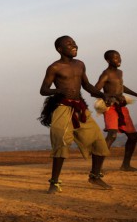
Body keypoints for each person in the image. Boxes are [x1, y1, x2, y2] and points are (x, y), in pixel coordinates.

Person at [38, 36, 111, 193]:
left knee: (99, 142)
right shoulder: (54, 67)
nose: (74, 46)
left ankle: (95, 176)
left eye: (74, 43)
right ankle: (54, 182)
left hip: (80, 109)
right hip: (63, 108)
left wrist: (102, 95)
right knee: (61, 143)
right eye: (69, 44)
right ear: (59, 49)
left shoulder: (80, 64)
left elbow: (86, 85)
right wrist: (58, 91)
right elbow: (43, 89)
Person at [95, 50, 137, 171]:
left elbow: (121, 87)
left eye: (119, 57)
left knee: (133, 136)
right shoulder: (106, 74)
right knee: (112, 135)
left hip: (122, 106)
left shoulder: (119, 72)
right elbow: (95, 89)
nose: (119, 60)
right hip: (110, 107)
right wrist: (106, 96)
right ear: (108, 60)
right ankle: (97, 168)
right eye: (115, 58)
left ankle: (126, 165)